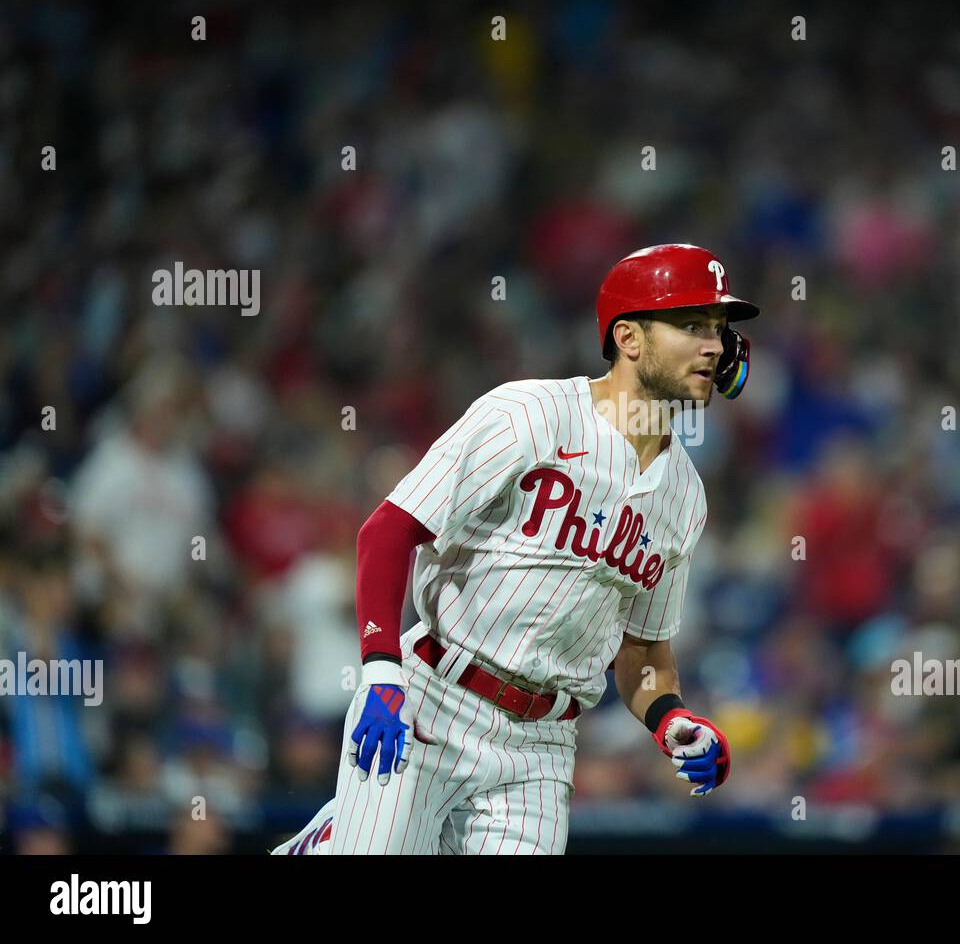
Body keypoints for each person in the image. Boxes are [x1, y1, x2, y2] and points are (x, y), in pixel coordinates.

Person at [273, 244, 757, 854]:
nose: (715, 345)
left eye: (718, 328)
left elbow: (642, 650)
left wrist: (671, 719)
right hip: (433, 701)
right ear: (629, 338)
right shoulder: (529, 415)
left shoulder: (685, 497)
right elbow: (389, 530)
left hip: (543, 747)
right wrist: (378, 671)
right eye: (691, 325)